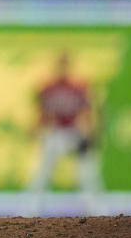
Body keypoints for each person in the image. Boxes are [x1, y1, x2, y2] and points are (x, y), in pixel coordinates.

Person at [26, 52, 101, 215]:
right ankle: (30, 212)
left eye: (65, 64)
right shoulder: (48, 88)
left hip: (73, 132)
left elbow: (86, 113)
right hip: (55, 133)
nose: (62, 68)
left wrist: (89, 133)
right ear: (56, 66)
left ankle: (96, 212)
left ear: (69, 66)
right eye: (60, 64)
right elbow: (42, 114)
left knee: (87, 174)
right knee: (40, 174)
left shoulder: (78, 87)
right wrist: (34, 128)